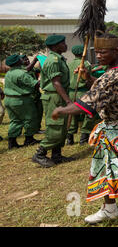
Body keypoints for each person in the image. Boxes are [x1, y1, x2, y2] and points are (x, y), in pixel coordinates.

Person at [51, 33, 118, 227]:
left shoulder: (116, 74)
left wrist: (62, 109)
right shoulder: (116, 69)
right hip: (111, 127)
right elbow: (101, 87)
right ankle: (110, 209)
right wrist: (88, 77)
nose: (98, 55)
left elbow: (88, 102)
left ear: (116, 51)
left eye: (103, 52)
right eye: (96, 51)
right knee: (103, 166)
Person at [32, 35, 74, 168]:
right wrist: (68, 101)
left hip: (59, 95)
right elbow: (56, 82)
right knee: (55, 127)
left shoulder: (59, 59)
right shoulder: (53, 60)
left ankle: (56, 155)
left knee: (62, 127)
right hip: (54, 97)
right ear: (55, 46)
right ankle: (39, 154)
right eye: (63, 43)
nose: (66, 45)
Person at [3, 54, 40, 149]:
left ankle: (12, 142)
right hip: (21, 100)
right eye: (20, 59)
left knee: (15, 120)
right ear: (17, 62)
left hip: (9, 99)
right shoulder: (21, 73)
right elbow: (35, 84)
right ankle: (29, 139)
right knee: (30, 118)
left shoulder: (8, 73)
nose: (22, 60)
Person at [66, 45, 96, 146]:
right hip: (83, 91)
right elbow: (87, 79)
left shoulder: (69, 64)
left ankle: (70, 138)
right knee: (88, 114)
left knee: (73, 114)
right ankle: (84, 137)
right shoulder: (85, 64)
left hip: (71, 92)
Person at [20, 55, 44, 134]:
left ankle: (37, 128)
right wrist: (34, 61)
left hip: (37, 94)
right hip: (29, 95)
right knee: (31, 114)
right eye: (24, 60)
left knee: (39, 112)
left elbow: (39, 70)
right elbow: (27, 70)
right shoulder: (21, 69)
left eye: (27, 59)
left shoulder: (32, 68)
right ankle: (29, 130)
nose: (27, 60)